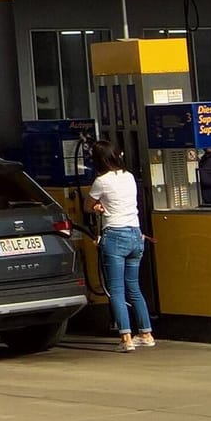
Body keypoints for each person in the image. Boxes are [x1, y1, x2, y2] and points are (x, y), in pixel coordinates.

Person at [87, 142, 154, 351]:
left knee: (116, 290)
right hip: (136, 234)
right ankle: (146, 333)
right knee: (134, 287)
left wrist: (97, 207)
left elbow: (87, 206)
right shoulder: (129, 176)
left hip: (115, 235)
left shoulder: (101, 181)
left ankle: (126, 338)